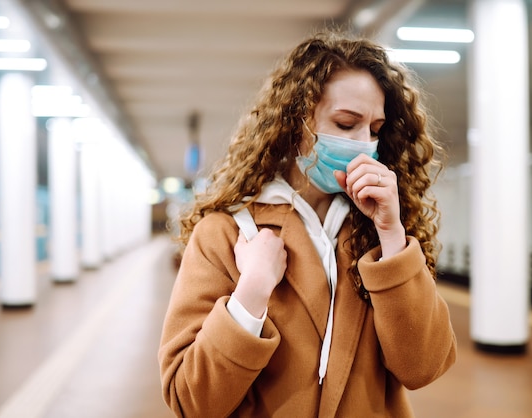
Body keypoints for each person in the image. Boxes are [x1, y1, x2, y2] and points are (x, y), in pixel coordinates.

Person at [158, 29, 457, 417]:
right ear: (295, 123)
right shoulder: (224, 233)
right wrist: (250, 294)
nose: (363, 143)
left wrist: (392, 235)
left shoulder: (380, 235)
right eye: (346, 124)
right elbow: (191, 399)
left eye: (375, 130)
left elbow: (423, 367)